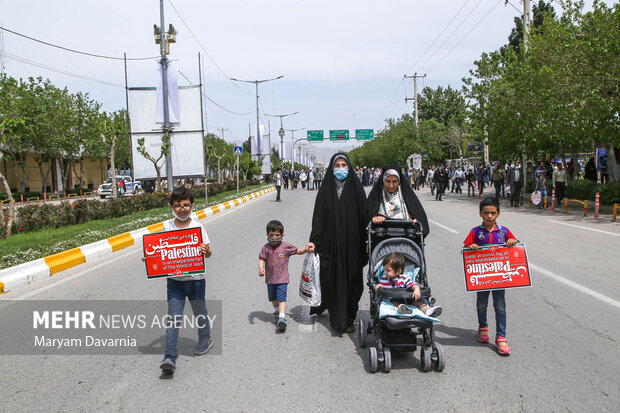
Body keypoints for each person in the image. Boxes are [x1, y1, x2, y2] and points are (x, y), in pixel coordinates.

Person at [305, 153, 367, 333]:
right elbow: (318, 218)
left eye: (343, 165)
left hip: (352, 244)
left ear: (349, 167)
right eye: (337, 165)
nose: (340, 168)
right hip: (329, 244)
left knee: (352, 278)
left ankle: (348, 314)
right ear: (332, 169)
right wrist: (313, 241)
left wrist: (366, 242)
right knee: (329, 277)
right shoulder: (325, 190)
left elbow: (364, 217)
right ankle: (336, 314)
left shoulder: (356, 189)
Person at [157, 187, 213, 374]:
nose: (182, 209)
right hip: (175, 282)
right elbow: (160, 252)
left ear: (192, 205)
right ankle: (169, 356)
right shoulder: (167, 227)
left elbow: (209, 252)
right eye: (178, 205)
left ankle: (205, 337)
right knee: (173, 318)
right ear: (171, 207)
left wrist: (207, 251)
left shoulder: (198, 227)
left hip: (196, 281)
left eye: (186, 205)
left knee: (200, 312)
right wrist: (151, 259)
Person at [463, 196, 518, 356]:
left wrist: (512, 242)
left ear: (498, 214)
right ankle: (483, 328)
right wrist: (471, 247)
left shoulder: (504, 232)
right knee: (481, 304)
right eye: (486, 213)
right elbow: (466, 247)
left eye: (492, 213)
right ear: (480, 213)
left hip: (499, 278)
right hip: (482, 278)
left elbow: (515, 246)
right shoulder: (475, 232)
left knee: (500, 307)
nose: (489, 216)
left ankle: (501, 337)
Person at [259, 220, 311, 332]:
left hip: (282, 279)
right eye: (271, 235)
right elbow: (262, 258)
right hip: (270, 280)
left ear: (282, 235)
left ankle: (282, 318)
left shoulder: (286, 246)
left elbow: (297, 251)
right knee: (273, 298)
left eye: (277, 235)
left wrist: (306, 250)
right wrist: (261, 268)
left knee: (281, 298)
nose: (274, 237)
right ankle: (277, 312)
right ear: (267, 234)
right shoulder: (265, 248)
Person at [367, 164, 430, 237]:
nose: (391, 185)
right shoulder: (376, 196)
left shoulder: (407, 196)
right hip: (382, 239)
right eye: (388, 181)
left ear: (399, 181)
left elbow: (421, 220)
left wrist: (415, 221)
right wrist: (376, 218)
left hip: (405, 240)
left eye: (394, 181)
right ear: (383, 180)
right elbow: (367, 217)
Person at [376, 252, 442, 317]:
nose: (385, 272)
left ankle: (428, 311)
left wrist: (416, 289)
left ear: (398, 271)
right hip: (394, 299)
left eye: (388, 270)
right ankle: (402, 309)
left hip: (408, 299)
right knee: (393, 302)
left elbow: (412, 284)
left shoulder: (403, 279)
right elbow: (382, 288)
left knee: (420, 303)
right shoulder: (384, 279)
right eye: (384, 269)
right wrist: (379, 286)